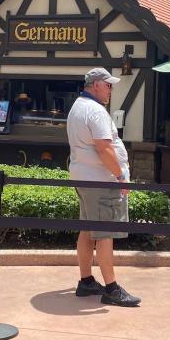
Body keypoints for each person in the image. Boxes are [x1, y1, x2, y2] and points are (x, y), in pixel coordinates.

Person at [67, 67, 140, 307]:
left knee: (87, 229)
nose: (110, 89)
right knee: (105, 233)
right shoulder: (96, 111)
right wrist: (121, 176)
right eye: (108, 84)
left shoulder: (78, 106)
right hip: (100, 180)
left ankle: (86, 280)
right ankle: (111, 288)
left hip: (84, 177)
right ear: (96, 84)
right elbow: (104, 147)